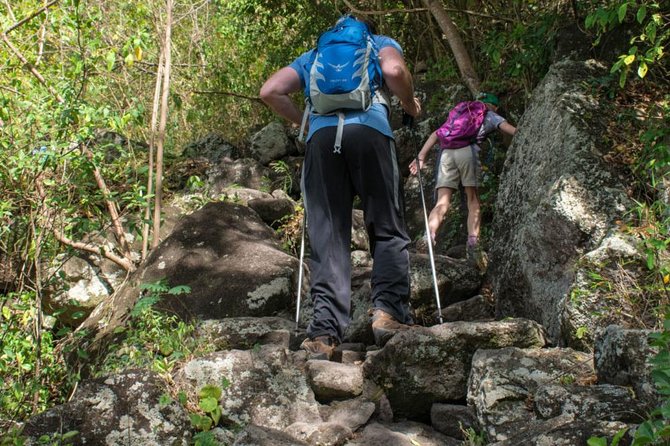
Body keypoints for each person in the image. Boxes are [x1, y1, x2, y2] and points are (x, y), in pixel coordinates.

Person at [260, 15, 421, 360]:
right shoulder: (378, 44)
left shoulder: (315, 54)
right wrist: (410, 104)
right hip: (371, 134)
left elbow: (269, 91)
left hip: (321, 142)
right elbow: (394, 72)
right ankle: (388, 314)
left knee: (328, 235)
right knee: (387, 226)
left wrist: (307, 122)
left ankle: (323, 333)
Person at [408, 93, 516, 269]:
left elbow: (437, 133)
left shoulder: (459, 113)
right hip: (468, 152)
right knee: (472, 199)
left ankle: (428, 236)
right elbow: (509, 129)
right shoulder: (489, 114)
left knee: (442, 202)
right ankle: (473, 244)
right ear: (493, 106)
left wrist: (421, 157)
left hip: (446, 153)